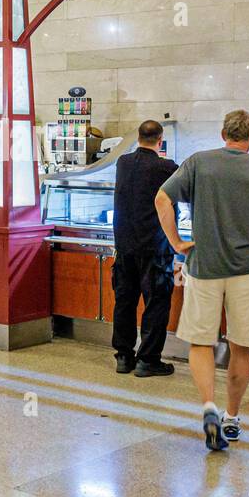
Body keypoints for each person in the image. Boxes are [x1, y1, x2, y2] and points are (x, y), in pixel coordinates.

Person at [155, 109, 249, 451]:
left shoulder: (198, 163)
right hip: (245, 269)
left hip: (204, 265)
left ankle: (208, 406)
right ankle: (232, 417)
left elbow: (162, 198)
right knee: (241, 345)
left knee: (201, 342)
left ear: (223, 134)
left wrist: (177, 242)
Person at [111, 120, 179, 377]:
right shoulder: (167, 167)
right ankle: (148, 359)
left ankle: (124, 356)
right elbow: (174, 202)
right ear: (160, 141)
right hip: (154, 247)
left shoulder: (122, 163)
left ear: (138, 137)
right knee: (156, 302)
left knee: (125, 301)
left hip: (124, 245)